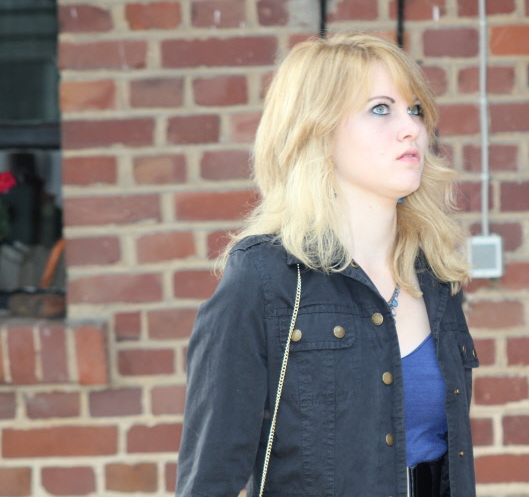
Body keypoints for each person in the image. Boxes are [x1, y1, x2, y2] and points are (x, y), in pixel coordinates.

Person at [176, 33, 479, 497]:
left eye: (415, 109)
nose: (411, 129)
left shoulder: (435, 277)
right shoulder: (265, 278)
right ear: (317, 131)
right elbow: (209, 479)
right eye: (381, 109)